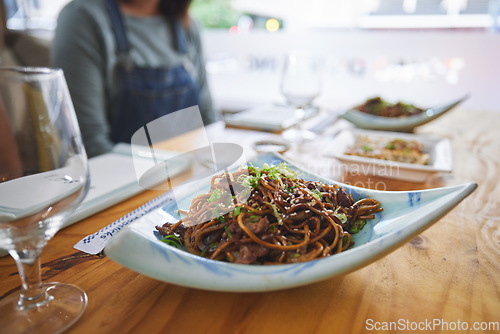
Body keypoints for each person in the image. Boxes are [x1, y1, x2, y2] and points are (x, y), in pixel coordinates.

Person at [51, 0, 217, 158]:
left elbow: (209, 120)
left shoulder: (186, 24)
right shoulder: (83, 17)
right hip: (125, 181)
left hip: (189, 178)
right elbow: (90, 143)